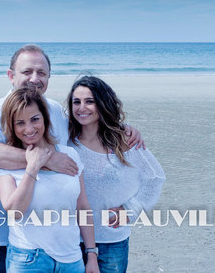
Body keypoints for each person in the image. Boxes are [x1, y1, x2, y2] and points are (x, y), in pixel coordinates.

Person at [0, 44, 144, 273]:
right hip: (8, 240)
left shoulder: (53, 110)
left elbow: (86, 127)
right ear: (10, 75)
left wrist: (119, 127)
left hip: (64, 243)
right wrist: (46, 159)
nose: (35, 79)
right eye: (27, 72)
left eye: (42, 73)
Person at [0, 85, 99, 272]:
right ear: (11, 125)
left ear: (45, 118)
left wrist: (91, 255)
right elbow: (15, 211)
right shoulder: (5, 162)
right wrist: (33, 167)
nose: (29, 128)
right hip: (28, 259)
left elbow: (82, 206)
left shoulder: (70, 155)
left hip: (72, 259)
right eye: (20, 122)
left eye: (35, 119)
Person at [67, 76, 166, 272]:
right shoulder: (67, 139)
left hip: (112, 240)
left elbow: (155, 177)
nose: (81, 108)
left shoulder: (123, 140)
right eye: (76, 102)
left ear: (102, 104)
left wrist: (130, 209)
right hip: (71, 239)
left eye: (89, 101)